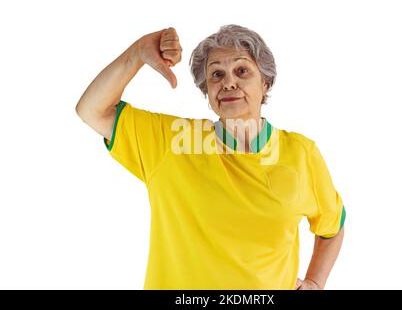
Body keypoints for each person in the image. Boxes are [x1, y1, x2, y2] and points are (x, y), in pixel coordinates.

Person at [75, 24, 346, 290]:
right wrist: (138, 53)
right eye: (216, 75)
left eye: (242, 71)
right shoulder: (171, 143)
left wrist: (314, 282)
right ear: (207, 91)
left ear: (265, 83)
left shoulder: (301, 153)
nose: (228, 83)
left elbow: (332, 226)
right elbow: (92, 110)